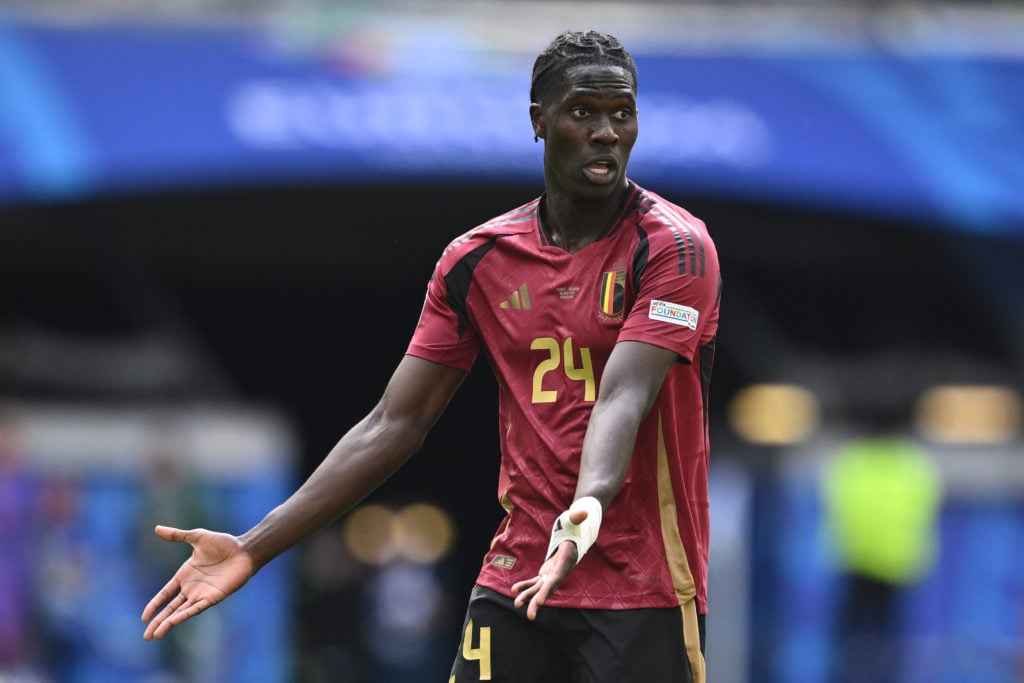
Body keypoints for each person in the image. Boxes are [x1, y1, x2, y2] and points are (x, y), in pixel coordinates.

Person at [142, 30, 722, 683]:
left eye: (623, 112)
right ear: (539, 121)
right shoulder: (476, 260)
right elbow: (395, 423)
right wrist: (253, 547)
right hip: (518, 574)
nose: (607, 131)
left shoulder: (676, 248)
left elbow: (624, 394)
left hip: (641, 584)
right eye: (583, 111)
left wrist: (585, 509)